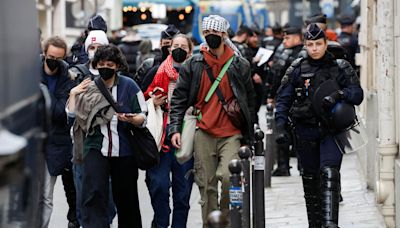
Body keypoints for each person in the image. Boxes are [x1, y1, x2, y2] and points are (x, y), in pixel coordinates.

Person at [168, 15, 255, 227]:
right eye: (207, 33)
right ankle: (210, 224)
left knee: (227, 179)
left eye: (215, 33)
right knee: (206, 186)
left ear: (224, 34)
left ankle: (224, 220)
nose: (211, 37)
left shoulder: (239, 64)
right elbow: (178, 98)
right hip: (203, 132)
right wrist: (175, 129)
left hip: (231, 134)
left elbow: (250, 101)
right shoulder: (194, 64)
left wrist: (249, 136)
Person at [274, 24, 363, 227]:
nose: (315, 48)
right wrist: (280, 126)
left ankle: (330, 223)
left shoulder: (339, 67)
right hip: (305, 131)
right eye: (310, 44)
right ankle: (315, 224)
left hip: (332, 131)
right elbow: (283, 99)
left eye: (318, 44)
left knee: (330, 173)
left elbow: (357, 94)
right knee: (311, 179)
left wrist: (340, 94)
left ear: (325, 44)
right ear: (305, 45)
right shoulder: (296, 68)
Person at [67, 44, 146, 228]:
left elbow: (143, 115)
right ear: (95, 64)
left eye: (110, 64)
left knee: (127, 200)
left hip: (124, 150)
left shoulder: (129, 85)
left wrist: (133, 119)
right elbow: (73, 118)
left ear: (117, 66)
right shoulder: (89, 86)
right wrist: (73, 94)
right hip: (96, 148)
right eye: (101, 63)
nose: (105, 67)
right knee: (94, 196)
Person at [67, 29, 118, 227]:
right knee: (84, 198)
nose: (95, 51)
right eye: (91, 47)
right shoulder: (78, 74)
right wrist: (74, 94)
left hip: (110, 146)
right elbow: (70, 114)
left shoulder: (116, 75)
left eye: (99, 47)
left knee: (109, 200)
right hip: (82, 146)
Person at [144, 34, 194, 228]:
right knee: (159, 186)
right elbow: (139, 100)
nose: (178, 49)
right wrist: (151, 103)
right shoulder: (157, 72)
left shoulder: (196, 73)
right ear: (169, 48)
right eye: (175, 46)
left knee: (183, 193)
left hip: (185, 136)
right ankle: (160, 223)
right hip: (160, 138)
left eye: (183, 46)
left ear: (190, 51)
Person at [39, 36, 79, 228]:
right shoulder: (29, 72)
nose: (53, 60)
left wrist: (42, 93)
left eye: (58, 58)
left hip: (55, 144)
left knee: (46, 195)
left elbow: (59, 114)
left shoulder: (67, 78)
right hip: (32, 142)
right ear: (44, 54)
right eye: (50, 56)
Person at [270, 25, 304, 176]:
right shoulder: (304, 53)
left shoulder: (289, 54)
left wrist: (272, 96)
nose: (284, 41)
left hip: (292, 100)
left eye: (287, 37)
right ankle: (298, 167)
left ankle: (284, 166)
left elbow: (277, 76)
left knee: (284, 133)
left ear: (297, 38)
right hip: (296, 101)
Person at [137, 24, 180, 91]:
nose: (170, 49)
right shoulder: (150, 64)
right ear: (160, 43)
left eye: (175, 45)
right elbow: (138, 91)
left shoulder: (187, 67)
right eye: (166, 44)